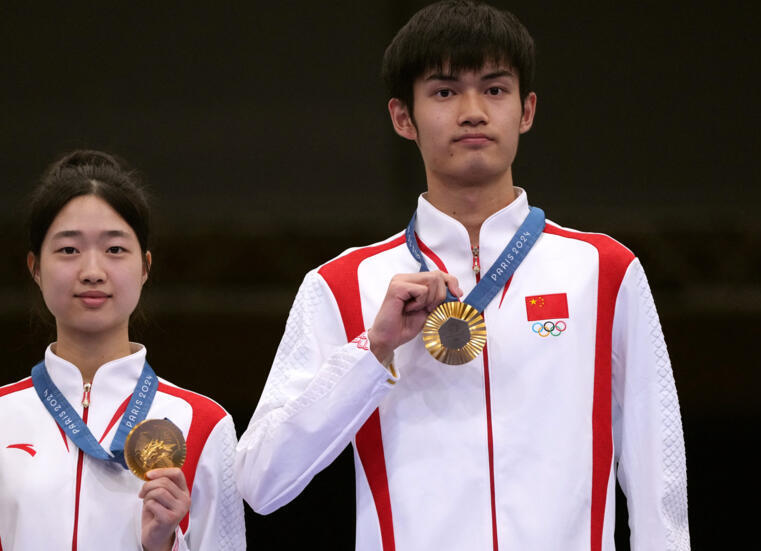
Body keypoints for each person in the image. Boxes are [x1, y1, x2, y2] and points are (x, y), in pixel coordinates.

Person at [235, 2, 689, 550]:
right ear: (403, 117)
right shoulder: (343, 285)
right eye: (445, 92)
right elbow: (260, 482)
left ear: (527, 110)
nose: (473, 111)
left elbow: (658, 479)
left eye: (495, 89)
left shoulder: (605, 271)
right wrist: (371, 351)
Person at [0, 150, 245, 551]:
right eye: (68, 250)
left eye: (115, 249)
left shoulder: (204, 425)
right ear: (34, 267)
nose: (92, 271)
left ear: (146, 266)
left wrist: (164, 545)